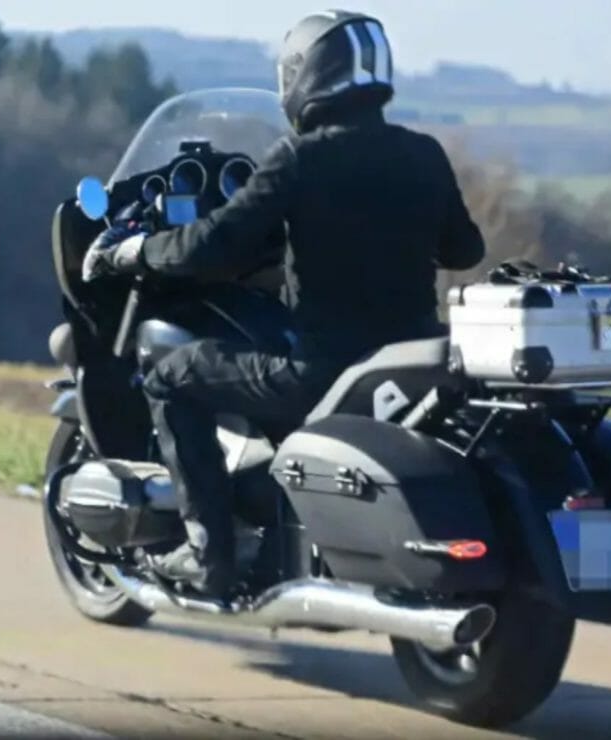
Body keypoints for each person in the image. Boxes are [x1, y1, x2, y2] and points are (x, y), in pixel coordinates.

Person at [83, 10, 485, 599]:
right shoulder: (422, 153)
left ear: (304, 75)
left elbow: (211, 246)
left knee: (171, 377)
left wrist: (134, 251)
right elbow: (464, 246)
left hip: (320, 373)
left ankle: (207, 554)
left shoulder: (302, 158)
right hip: (410, 366)